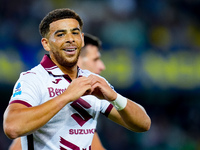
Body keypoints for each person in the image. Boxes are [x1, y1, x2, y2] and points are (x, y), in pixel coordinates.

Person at [3, 8, 151, 150]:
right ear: (46, 44)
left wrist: (114, 97)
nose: (70, 39)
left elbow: (143, 124)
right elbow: (12, 128)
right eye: (61, 34)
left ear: (82, 38)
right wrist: (67, 96)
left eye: (75, 33)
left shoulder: (92, 81)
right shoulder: (33, 79)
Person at [8, 33, 106, 150]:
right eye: (95, 59)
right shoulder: (48, 100)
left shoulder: (87, 106)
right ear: (76, 59)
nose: (101, 66)